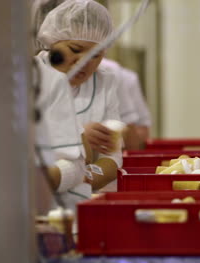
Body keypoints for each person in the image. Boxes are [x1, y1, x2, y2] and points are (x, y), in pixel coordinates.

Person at [37, 0, 122, 191]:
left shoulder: (104, 84)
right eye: (75, 50)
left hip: (85, 200)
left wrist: (83, 177)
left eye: (95, 55)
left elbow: (112, 160)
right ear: (53, 41)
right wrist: (78, 137)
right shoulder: (31, 77)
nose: (83, 62)